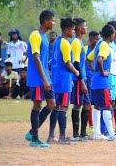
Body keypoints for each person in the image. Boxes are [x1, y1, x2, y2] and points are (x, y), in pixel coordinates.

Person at [25, 10, 56, 147]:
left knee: (51, 104)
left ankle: (32, 132)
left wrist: (47, 78)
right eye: (52, 20)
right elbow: (36, 58)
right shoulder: (35, 35)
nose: (53, 23)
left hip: (45, 78)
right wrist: (43, 79)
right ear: (46, 21)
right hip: (37, 78)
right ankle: (34, 139)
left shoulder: (44, 36)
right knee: (37, 104)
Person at [47, 18, 80, 144]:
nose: (73, 31)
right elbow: (68, 63)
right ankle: (62, 137)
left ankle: (51, 136)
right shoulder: (65, 43)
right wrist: (76, 72)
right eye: (72, 29)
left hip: (56, 78)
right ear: (66, 29)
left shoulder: (56, 41)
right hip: (64, 79)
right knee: (63, 108)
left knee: (56, 107)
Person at [89, 24, 116, 141]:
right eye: (115, 33)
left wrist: (95, 71)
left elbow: (89, 58)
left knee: (97, 106)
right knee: (107, 106)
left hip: (95, 81)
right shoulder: (105, 46)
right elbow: (99, 59)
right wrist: (102, 72)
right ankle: (111, 134)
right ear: (112, 34)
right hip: (103, 82)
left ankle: (97, 133)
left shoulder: (99, 44)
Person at [69, 18, 90, 142]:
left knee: (87, 104)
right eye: (84, 26)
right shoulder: (76, 42)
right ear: (78, 28)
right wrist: (81, 81)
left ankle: (83, 133)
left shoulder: (80, 42)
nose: (85, 28)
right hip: (78, 79)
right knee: (77, 105)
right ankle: (76, 134)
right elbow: (76, 63)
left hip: (84, 78)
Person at [85, 31, 100, 133]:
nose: (98, 41)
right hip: (86, 78)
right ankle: (90, 125)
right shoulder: (85, 49)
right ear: (91, 39)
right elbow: (85, 60)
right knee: (88, 102)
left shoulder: (98, 49)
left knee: (95, 102)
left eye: (99, 39)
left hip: (95, 79)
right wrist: (93, 69)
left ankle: (95, 125)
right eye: (96, 39)